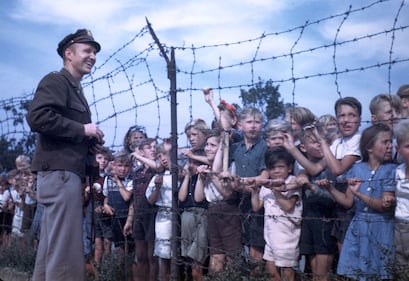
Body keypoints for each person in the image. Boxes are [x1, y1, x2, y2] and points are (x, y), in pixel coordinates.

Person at [26, 28, 104, 281]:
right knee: (66, 250)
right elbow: (38, 117)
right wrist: (83, 128)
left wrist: (89, 140)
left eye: (94, 52)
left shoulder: (74, 88)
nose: (92, 56)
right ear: (68, 54)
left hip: (64, 173)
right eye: (87, 50)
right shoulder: (57, 81)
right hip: (60, 173)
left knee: (52, 247)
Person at [317, 123, 396, 280]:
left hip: (381, 227)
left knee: (379, 272)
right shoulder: (357, 168)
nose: (390, 146)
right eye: (385, 142)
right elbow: (347, 202)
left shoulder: (392, 170)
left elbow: (382, 206)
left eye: (391, 142)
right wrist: (330, 189)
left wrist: (359, 194)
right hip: (358, 227)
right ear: (369, 148)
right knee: (356, 273)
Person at [250, 146, 302, 281]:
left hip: (287, 237)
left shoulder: (292, 182)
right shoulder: (268, 184)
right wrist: (255, 191)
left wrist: (274, 190)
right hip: (270, 236)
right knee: (271, 273)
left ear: (289, 168)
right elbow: (256, 207)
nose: (277, 171)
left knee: (287, 274)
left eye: (281, 167)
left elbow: (289, 206)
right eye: (272, 168)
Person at [194, 129, 242, 275]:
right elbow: (198, 197)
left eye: (213, 145)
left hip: (228, 212)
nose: (208, 148)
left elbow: (227, 194)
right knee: (216, 254)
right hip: (213, 211)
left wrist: (214, 175)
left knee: (232, 255)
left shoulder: (229, 166)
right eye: (207, 145)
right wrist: (202, 177)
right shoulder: (208, 168)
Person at [229, 107, 267, 271]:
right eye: (249, 122)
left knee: (256, 251)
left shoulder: (265, 147)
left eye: (257, 122)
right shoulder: (235, 148)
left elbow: (264, 178)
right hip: (238, 203)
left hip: (259, 204)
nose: (253, 126)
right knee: (238, 249)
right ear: (240, 125)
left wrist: (241, 182)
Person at [123, 138, 159, 281]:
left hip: (152, 213)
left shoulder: (156, 169)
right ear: (142, 151)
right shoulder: (137, 173)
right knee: (141, 256)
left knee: (152, 257)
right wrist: (129, 220)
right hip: (139, 213)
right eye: (149, 147)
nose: (153, 149)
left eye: (154, 147)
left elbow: (157, 166)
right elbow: (133, 199)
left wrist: (137, 156)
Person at [178, 147, 209, 281]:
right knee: (189, 259)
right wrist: (186, 177)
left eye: (195, 162)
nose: (192, 166)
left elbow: (198, 198)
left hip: (201, 215)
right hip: (187, 215)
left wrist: (200, 176)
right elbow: (181, 197)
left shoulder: (205, 177)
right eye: (190, 162)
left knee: (198, 259)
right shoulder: (189, 178)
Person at [145, 139, 173, 281]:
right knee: (164, 258)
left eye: (165, 155)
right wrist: (157, 187)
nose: (163, 159)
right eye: (160, 156)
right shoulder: (158, 177)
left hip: (179, 216)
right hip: (163, 217)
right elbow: (151, 200)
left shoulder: (180, 173)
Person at [102, 150, 133, 266]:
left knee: (129, 248)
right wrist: (105, 205)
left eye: (126, 166)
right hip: (114, 217)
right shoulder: (108, 179)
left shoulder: (130, 179)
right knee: (118, 246)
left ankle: (127, 271)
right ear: (114, 166)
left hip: (127, 217)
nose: (123, 169)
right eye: (120, 165)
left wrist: (119, 182)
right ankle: (118, 272)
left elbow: (126, 197)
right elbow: (106, 196)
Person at [393, 119, 409, 275]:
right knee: (402, 265)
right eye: (408, 147)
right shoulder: (398, 172)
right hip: (400, 225)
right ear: (398, 149)